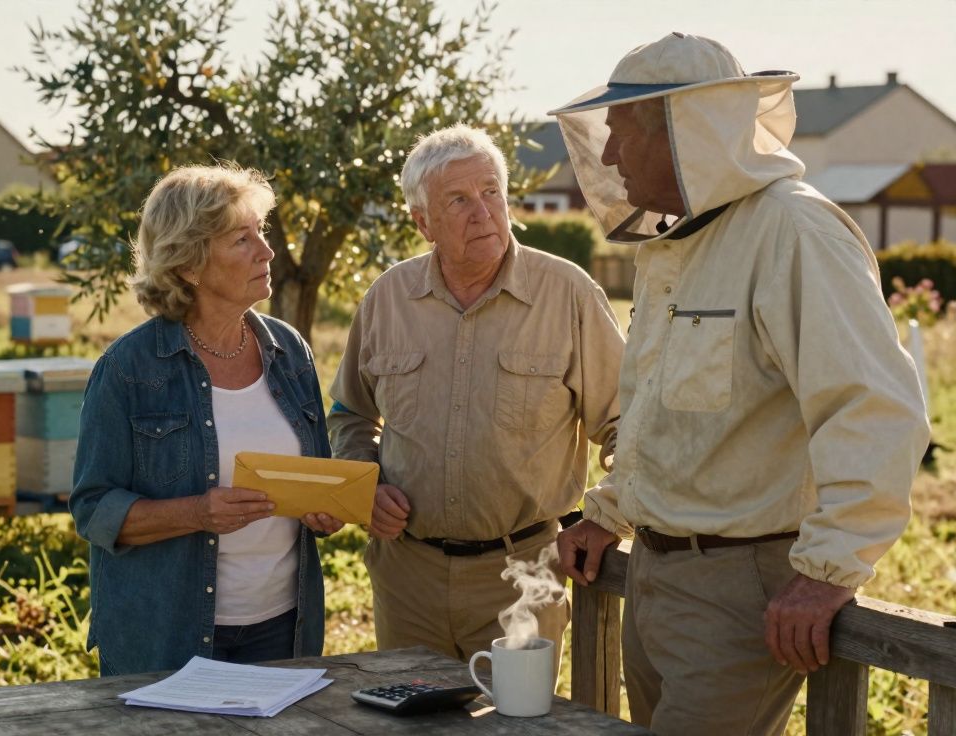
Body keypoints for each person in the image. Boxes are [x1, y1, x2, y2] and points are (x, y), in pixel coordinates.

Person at [551, 33, 930, 735]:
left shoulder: (795, 230)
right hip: (657, 578)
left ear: (683, 133)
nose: (605, 157)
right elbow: (659, 411)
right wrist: (610, 512)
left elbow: (874, 410)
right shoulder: (677, 246)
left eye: (622, 134)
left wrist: (827, 570)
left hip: (740, 591)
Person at [327, 125, 625, 662]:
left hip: (523, 575)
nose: (482, 212)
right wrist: (363, 482)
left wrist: (610, 514)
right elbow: (349, 412)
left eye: (491, 192)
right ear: (423, 223)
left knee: (514, 722)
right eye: (458, 200)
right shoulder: (387, 299)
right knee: (411, 722)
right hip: (406, 576)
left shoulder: (569, 293)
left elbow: (631, 425)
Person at [69, 164, 343, 676]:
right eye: (243, 239)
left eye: (261, 232)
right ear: (190, 263)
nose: (267, 250)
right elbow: (93, 510)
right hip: (167, 634)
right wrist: (198, 512)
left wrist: (322, 510)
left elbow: (315, 477)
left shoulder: (291, 351)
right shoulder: (128, 370)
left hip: (284, 626)